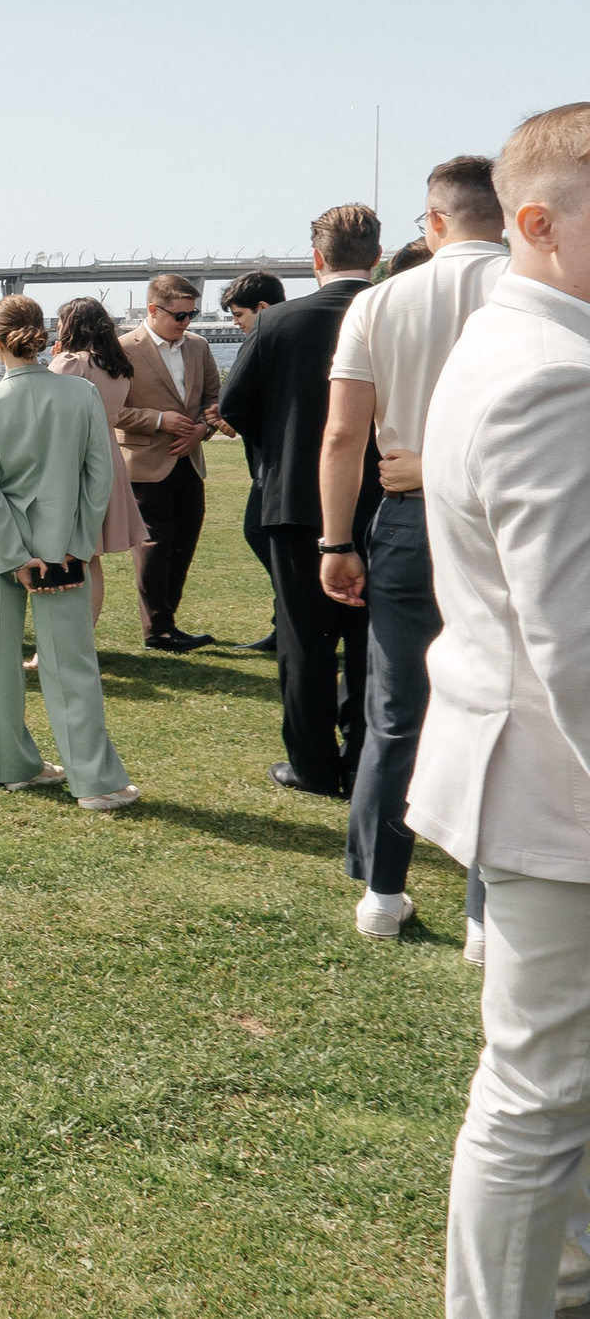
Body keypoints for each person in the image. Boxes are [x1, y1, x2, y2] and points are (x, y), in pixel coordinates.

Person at [408, 103, 590, 1317]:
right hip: (558, 787)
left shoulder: (511, 344)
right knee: (534, 1094)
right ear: (537, 225)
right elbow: (577, 639)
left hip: (528, 765)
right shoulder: (552, 374)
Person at [318, 159, 506, 947]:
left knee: (394, 710)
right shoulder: (538, 293)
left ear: (433, 222)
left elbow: (342, 435)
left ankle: (382, 891)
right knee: (504, 708)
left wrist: (335, 538)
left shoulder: (379, 302)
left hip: (405, 516)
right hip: (504, 519)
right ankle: (486, 911)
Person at [219, 205, 382, 799]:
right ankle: (368, 755)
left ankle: (312, 764)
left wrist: (278, 452)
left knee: (304, 639)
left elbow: (235, 406)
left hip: (294, 500)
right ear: (377, 257)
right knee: (372, 638)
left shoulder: (276, 323)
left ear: (316, 259)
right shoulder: (394, 315)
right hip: (381, 496)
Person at [0, 295, 139, 812]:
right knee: (72, 664)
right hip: (63, 546)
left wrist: (15, 556)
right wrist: (77, 547)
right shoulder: (81, 395)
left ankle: (10, 766)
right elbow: (98, 476)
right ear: (41, 336)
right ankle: (95, 782)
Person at [115, 272, 223, 651]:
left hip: (188, 461)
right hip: (144, 464)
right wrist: (158, 420)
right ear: (152, 310)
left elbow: (214, 399)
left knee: (184, 543)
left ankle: (167, 622)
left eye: (191, 315)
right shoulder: (123, 348)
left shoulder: (199, 347)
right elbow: (111, 409)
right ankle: (157, 630)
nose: (186, 323)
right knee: (154, 546)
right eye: (179, 315)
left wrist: (200, 430)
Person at [48, 298, 150, 622]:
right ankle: (83, 638)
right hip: (107, 453)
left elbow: (50, 412)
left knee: (64, 549)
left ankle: (64, 641)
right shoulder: (117, 365)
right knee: (90, 556)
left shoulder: (70, 362)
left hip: (72, 456)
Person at [221, 270, 289, 652]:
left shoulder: (265, 339)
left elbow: (235, 401)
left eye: (239, 315)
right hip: (280, 463)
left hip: (273, 467)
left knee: (260, 531)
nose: (236, 324)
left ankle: (289, 619)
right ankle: (285, 620)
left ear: (261, 308)